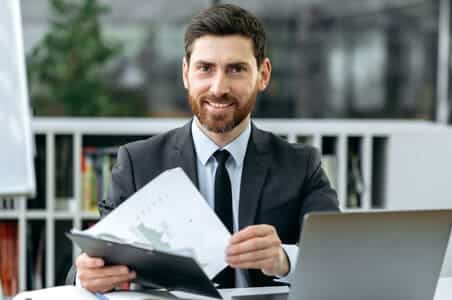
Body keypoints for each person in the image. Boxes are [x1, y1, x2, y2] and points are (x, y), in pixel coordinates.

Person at [72, 3, 339, 293]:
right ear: (186, 73)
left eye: (236, 69)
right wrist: (86, 274)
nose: (218, 87)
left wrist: (284, 259)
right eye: (205, 69)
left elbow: (338, 259)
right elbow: (89, 263)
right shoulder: (138, 163)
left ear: (263, 74)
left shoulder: (300, 164)